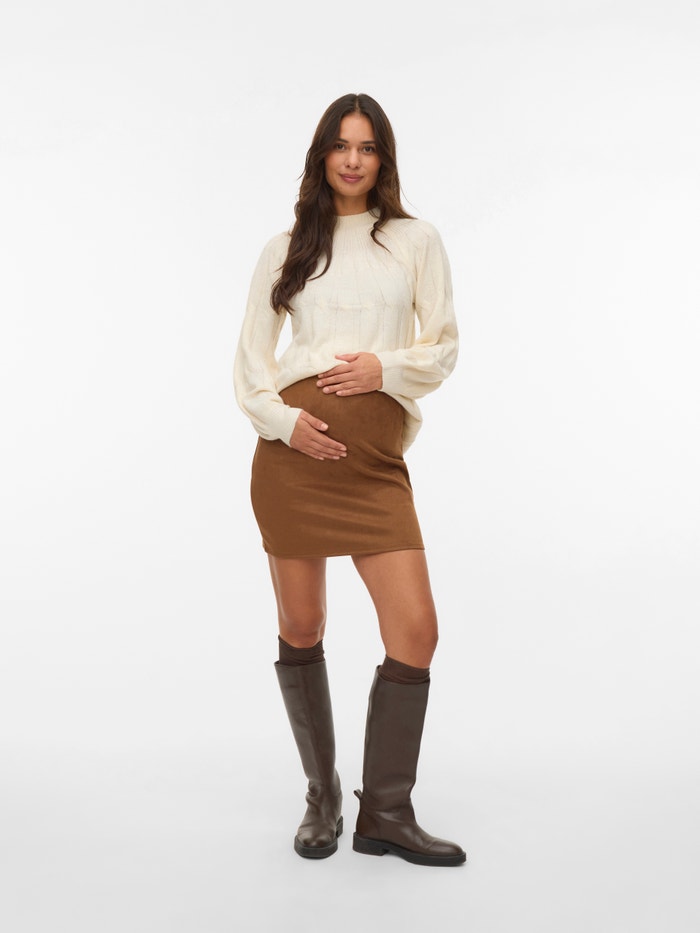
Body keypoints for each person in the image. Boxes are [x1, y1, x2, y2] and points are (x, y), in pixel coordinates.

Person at [233, 92, 465, 867]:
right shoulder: (286, 248)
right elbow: (250, 366)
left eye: (367, 147)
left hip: (376, 469)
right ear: (322, 155)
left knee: (417, 630)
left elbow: (442, 348)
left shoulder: (415, 240)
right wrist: (284, 422)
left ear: (383, 157)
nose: (353, 159)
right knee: (302, 627)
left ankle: (386, 812)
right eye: (341, 145)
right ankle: (323, 797)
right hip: (292, 464)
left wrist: (382, 368)